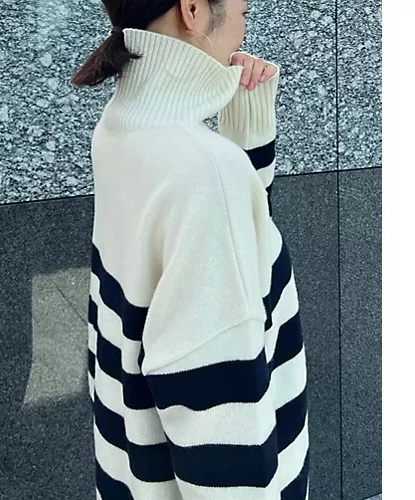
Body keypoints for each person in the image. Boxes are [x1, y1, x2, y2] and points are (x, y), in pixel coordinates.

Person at [71, 0, 310, 498]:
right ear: (194, 9)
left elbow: (234, 261)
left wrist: (244, 131)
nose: (244, 28)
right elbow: (224, 437)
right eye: (243, 11)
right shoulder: (205, 174)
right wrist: (227, 166)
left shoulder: (121, 126)